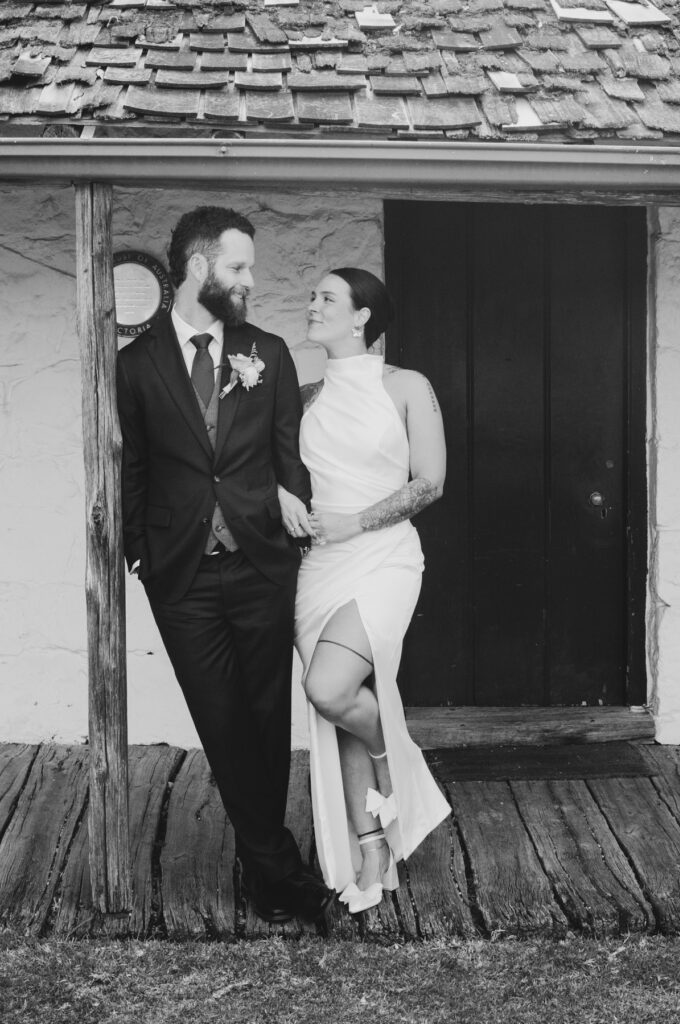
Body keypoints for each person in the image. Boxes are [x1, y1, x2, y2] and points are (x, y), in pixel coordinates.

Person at [116, 205, 333, 925]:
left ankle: (263, 865)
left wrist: (290, 504)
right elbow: (136, 466)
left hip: (261, 567)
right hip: (180, 574)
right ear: (200, 268)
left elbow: (287, 455)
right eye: (238, 267)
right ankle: (277, 868)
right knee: (221, 717)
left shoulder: (266, 351)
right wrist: (140, 551)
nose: (249, 280)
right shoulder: (135, 363)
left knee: (267, 717)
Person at [277, 268, 451, 913]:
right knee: (340, 706)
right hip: (320, 568)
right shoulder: (303, 394)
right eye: (312, 294)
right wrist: (279, 493)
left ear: (362, 318)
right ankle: (371, 846)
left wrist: (357, 520)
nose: (311, 304)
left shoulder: (407, 386)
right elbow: (252, 465)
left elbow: (430, 482)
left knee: (329, 688)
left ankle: (394, 765)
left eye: (326, 297)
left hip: (383, 558)